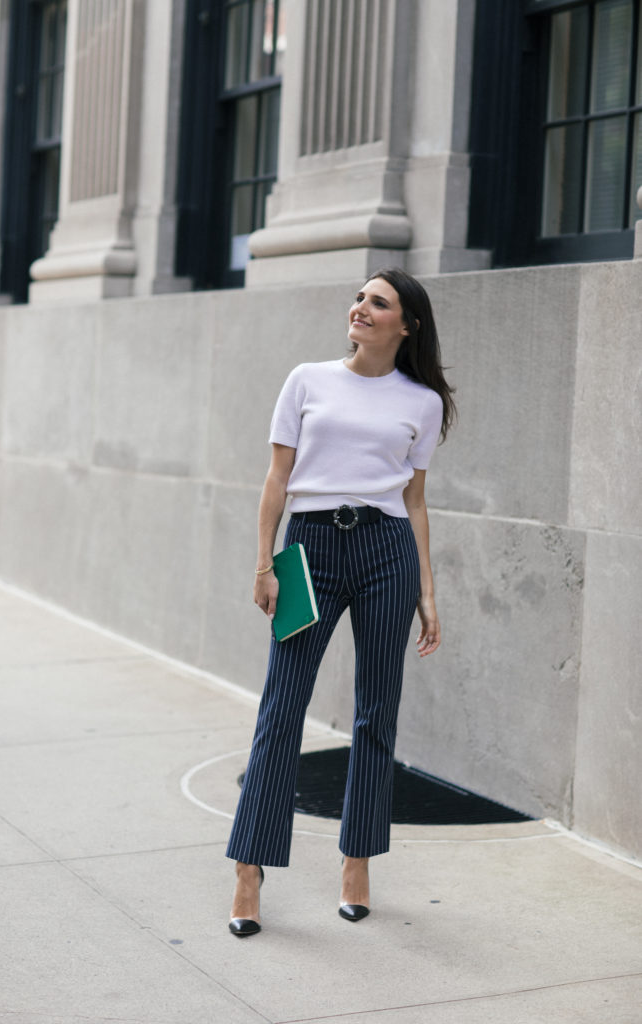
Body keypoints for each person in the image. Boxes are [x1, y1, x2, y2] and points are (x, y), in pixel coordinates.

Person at [226, 267, 456, 937]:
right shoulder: (307, 380)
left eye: (376, 302)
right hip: (307, 552)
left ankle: (356, 861)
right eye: (358, 297)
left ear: (404, 325)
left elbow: (413, 500)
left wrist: (427, 590)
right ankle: (249, 868)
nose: (359, 307)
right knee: (282, 703)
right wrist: (265, 562)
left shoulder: (421, 402)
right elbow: (277, 477)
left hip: (386, 550)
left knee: (377, 708)